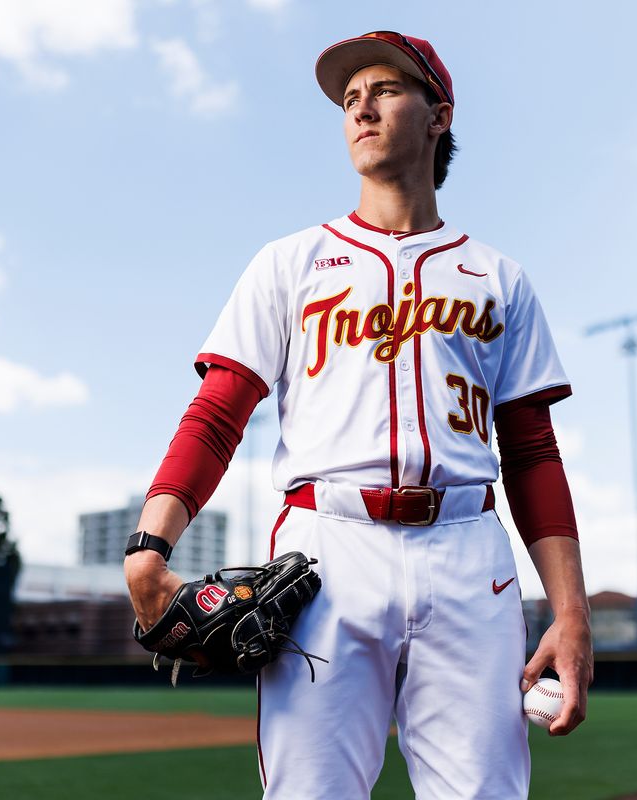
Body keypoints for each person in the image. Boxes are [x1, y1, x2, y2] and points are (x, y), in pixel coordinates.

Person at [125, 30, 593, 799]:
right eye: (350, 98)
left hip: (470, 554)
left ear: (439, 115)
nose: (361, 107)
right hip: (325, 556)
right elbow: (217, 412)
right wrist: (151, 544)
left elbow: (534, 453)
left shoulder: (499, 279)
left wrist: (571, 613)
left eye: (385, 90)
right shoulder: (291, 262)